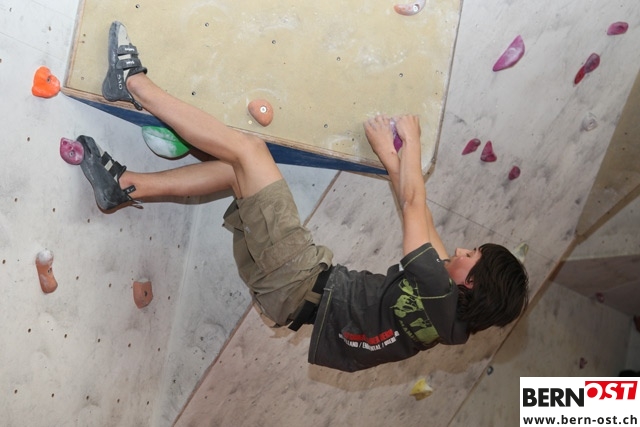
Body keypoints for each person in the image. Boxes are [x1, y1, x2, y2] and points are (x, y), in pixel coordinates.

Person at [78, 21, 529, 372]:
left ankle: (131, 83)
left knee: (250, 151)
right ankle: (124, 186)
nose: (462, 250)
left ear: (472, 282)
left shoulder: (437, 291)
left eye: (471, 255)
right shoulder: (449, 320)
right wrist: (390, 156)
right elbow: (422, 214)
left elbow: (414, 205)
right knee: (239, 173)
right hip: (286, 301)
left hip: (299, 279)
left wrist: (410, 141)